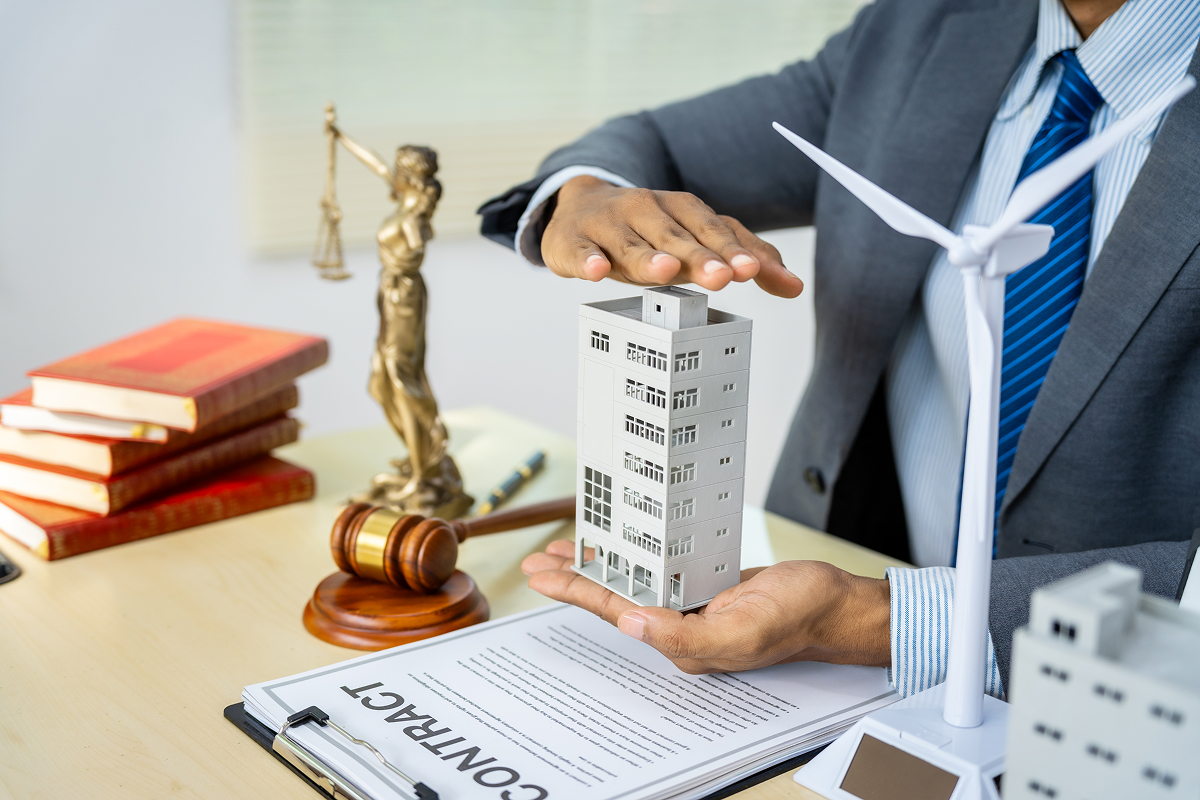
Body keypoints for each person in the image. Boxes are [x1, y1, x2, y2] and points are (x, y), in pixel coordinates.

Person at [480, 0, 1200, 695]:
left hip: (1142, 697)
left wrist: (883, 620)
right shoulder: (921, 27)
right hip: (821, 655)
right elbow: (649, 145)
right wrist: (585, 195)